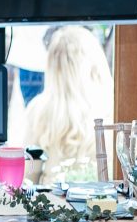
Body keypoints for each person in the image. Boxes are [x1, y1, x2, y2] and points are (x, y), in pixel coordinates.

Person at [25, 27, 113, 184]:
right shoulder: (111, 110)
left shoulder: (37, 111)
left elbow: (28, 179)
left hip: (50, 204)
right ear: (95, 64)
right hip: (101, 204)